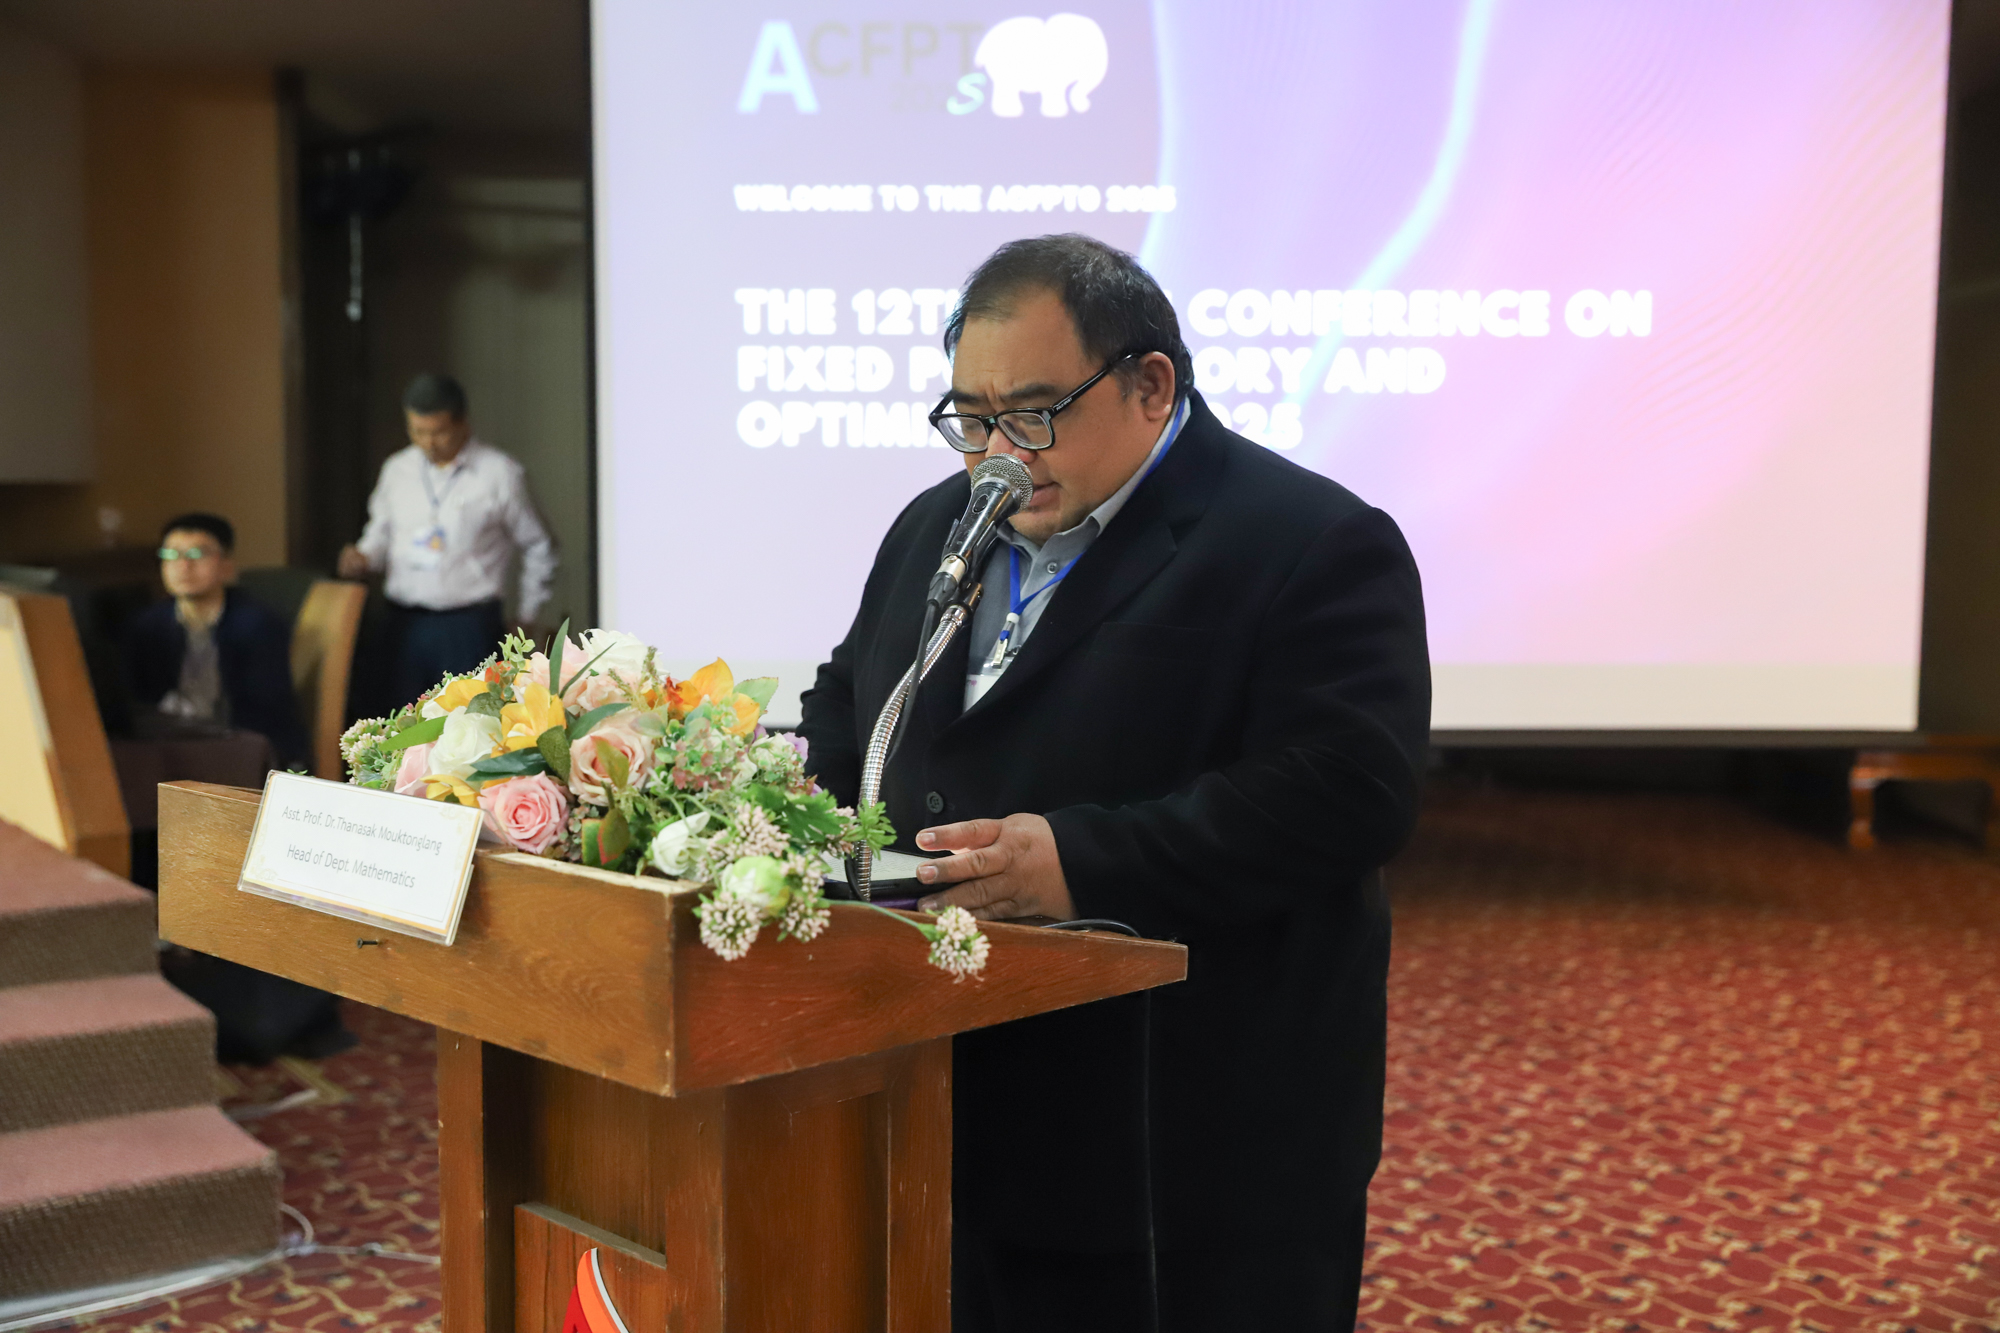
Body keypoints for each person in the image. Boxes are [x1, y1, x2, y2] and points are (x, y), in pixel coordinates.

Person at [797, 235, 1431, 1333]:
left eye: (1035, 414)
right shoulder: (936, 525)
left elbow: (1345, 790)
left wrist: (1079, 862)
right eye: (971, 419)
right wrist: (790, 807)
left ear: (1150, 386)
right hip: (952, 1097)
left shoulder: (1310, 538)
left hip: (1188, 1140)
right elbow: (854, 696)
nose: (1000, 454)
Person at [338, 373, 558, 704]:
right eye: (417, 432)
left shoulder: (499, 473)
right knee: (402, 722)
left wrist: (528, 615)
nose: (428, 443)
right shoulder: (397, 470)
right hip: (403, 624)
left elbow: (539, 545)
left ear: (462, 423)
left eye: (438, 432)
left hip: (468, 626)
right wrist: (363, 556)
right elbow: (379, 537)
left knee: (469, 722)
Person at [125, 512, 308, 770]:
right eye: (172, 554)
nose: (183, 565)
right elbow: (139, 700)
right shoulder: (148, 625)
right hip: (171, 739)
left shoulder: (257, 624)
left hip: (238, 741)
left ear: (226, 565)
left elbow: (267, 709)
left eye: (197, 554)